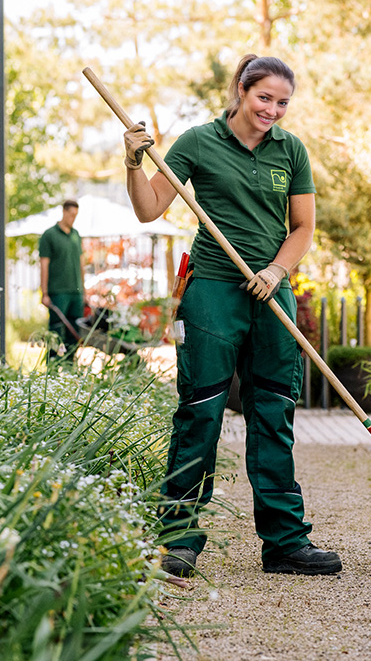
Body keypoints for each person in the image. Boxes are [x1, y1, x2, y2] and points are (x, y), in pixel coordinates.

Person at [123, 54, 342, 577]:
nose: (273, 110)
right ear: (241, 91)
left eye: (282, 102)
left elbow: (303, 228)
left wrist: (275, 271)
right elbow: (148, 208)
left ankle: (286, 542)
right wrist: (133, 164)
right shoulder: (199, 142)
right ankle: (176, 539)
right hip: (213, 291)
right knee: (201, 410)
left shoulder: (291, 150)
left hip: (269, 293)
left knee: (273, 411)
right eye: (264, 97)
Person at [39, 198, 85, 363]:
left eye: (76, 215)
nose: (73, 218)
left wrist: (83, 290)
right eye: (71, 214)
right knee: (56, 330)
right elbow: (44, 264)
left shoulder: (76, 235)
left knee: (74, 331)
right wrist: (44, 293)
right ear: (64, 212)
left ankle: (69, 366)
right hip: (58, 292)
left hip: (76, 292)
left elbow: (81, 264)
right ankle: (51, 366)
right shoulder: (49, 235)